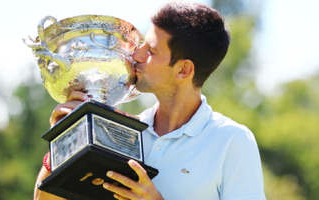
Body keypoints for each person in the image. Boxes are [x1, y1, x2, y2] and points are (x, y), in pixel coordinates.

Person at [34, 1, 266, 200]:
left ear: (184, 70)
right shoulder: (119, 133)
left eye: (151, 51)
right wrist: (63, 141)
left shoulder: (232, 140)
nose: (136, 55)